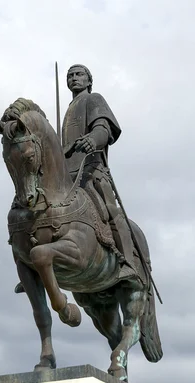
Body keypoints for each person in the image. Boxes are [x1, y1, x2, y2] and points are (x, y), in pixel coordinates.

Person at [62, 64, 137, 277]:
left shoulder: (93, 99)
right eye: (70, 76)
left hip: (91, 169)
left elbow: (103, 129)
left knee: (110, 210)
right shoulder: (69, 108)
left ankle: (129, 263)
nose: (74, 78)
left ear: (89, 80)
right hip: (67, 176)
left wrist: (92, 139)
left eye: (79, 74)